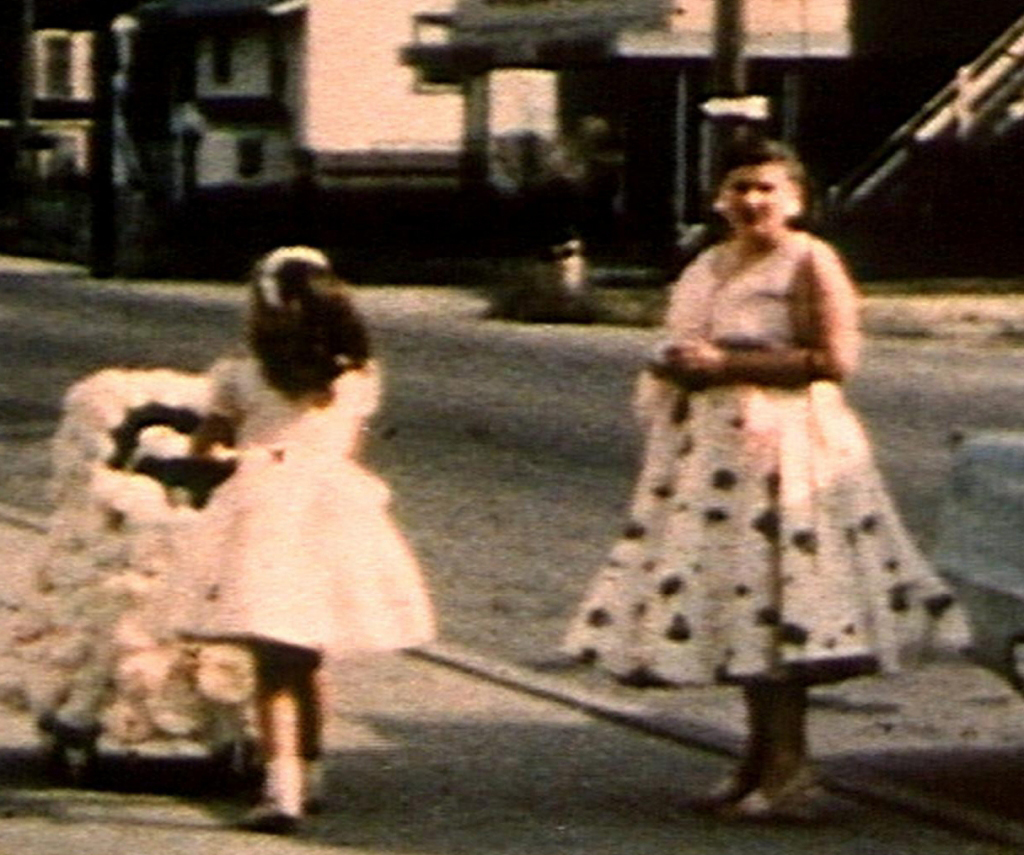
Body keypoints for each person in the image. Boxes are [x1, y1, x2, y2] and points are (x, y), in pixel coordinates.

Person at [561, 138, 969, 819]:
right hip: (713, 451)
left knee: (781, 600)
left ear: (796, 199)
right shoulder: (709, 262)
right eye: (739, 187)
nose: (752, 201)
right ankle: (759, 759)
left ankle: (790, 769)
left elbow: (834, 360)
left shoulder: (809, 260)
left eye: (767, 188)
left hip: (786, 446)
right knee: (743, 603)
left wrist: (727, 365)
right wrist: (675, 363)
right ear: (720, 197)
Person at [179, 246, 435, 834]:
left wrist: (230, 453)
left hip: (263, 510)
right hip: (333, 509)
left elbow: (205, 449)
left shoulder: (240, 373)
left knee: (273, 660)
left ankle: (281, 791)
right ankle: (313, 773)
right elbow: (347, 446)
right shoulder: (356, 375)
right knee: (309, 655)